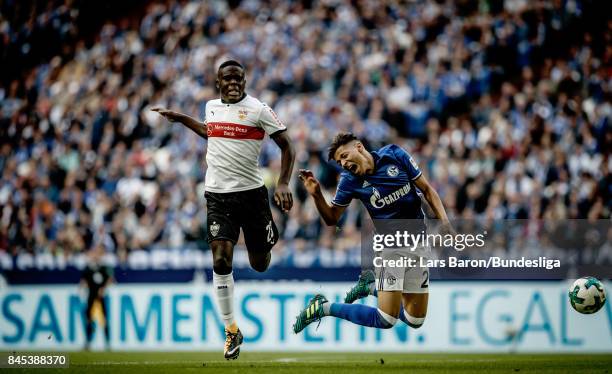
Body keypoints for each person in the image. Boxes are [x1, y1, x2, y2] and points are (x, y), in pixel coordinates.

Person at [152, 60, 295, 360]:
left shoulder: (258, 109)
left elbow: (287, 145)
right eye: (227, 78)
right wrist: (181, 119)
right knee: (220, 258)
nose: (233, 83)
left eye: (238, 78)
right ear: (218, 82)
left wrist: (282, 183)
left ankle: (267, 235)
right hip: (218, 197)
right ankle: (231, 330)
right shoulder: (211, 106)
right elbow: (212, 132)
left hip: (253, 197)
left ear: (244, 81)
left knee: (260, 264)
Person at [293, 132, 451, 334]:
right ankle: (323, 308)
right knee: (386, 319)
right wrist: (316, 195)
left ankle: (369, 287)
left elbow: (428, 190)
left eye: (343, 156)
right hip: (390, 247)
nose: (343, 164)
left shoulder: (394, 154)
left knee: (415, 319)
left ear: (358, 147)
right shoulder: (349, 181)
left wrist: (445, 223)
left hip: (418, 243)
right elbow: (332, 218)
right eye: (339, 162)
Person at [80, 246, 113, 350]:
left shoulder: (104, 267)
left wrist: (103, 288)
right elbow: (83, 280)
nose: (96, 256)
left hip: (100, 298)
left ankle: (107, 343)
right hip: (91, 296)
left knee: (104, 320)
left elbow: (110, 279)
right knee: (89, 320)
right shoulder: (88, 268)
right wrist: (83, 286)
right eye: (95, 253)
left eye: (98, 254)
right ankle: (88, 342)